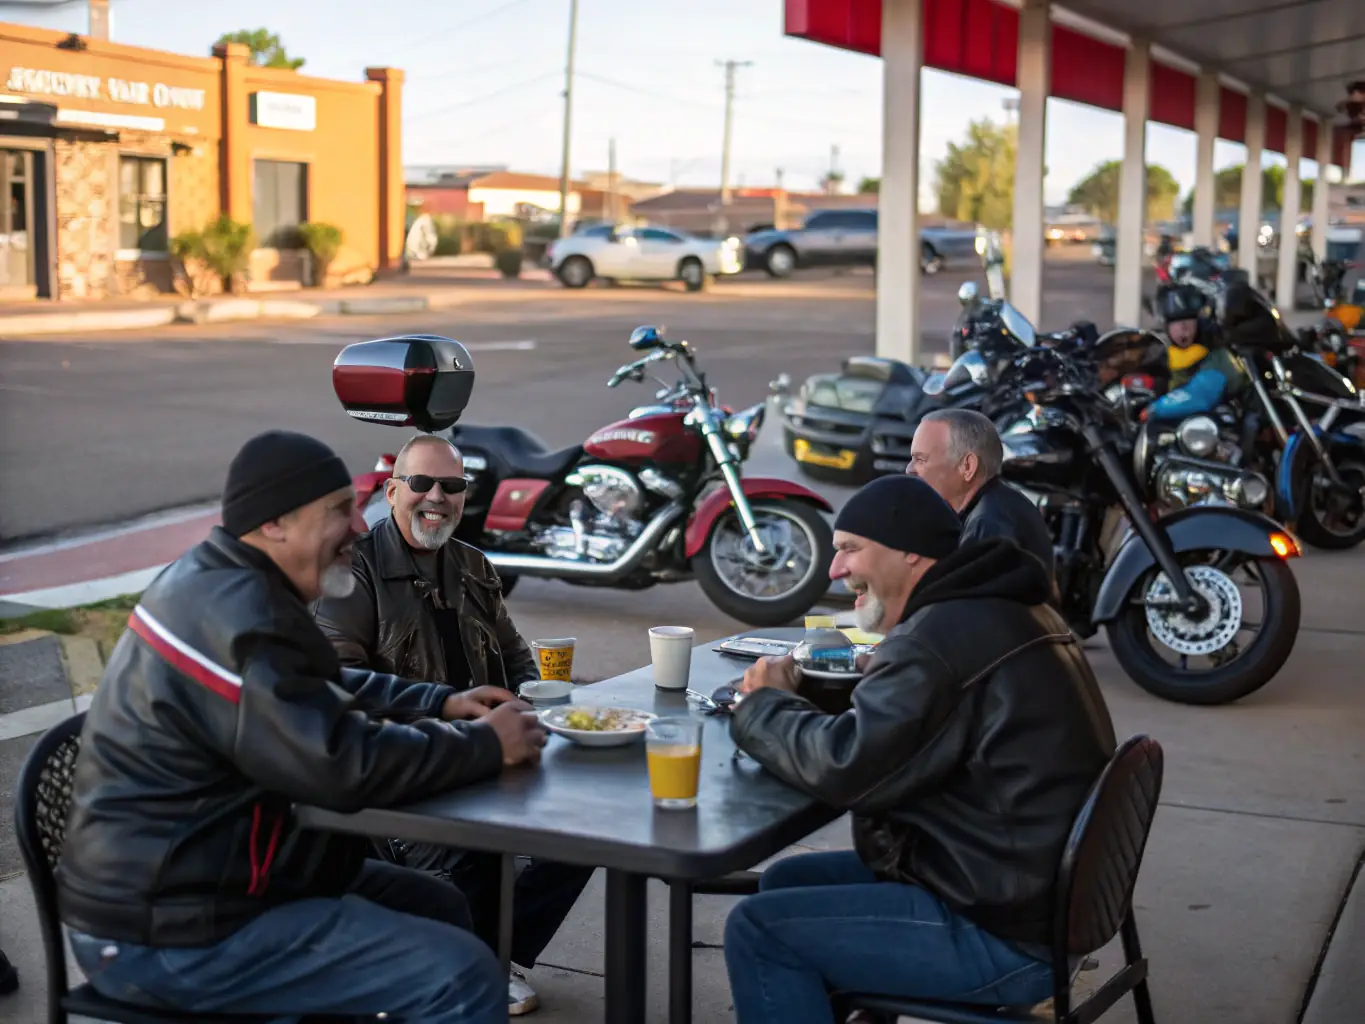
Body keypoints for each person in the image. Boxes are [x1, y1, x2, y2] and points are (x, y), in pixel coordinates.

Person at [56, 429, 548, 1023]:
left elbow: (324, 684)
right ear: (274, 525)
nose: (359, 527)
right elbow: (341, 763)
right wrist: (485, 744)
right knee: (463, 974)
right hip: (168, 928)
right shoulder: (240, 618)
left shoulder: (229, 581)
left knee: (435, 904)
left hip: (219, 880)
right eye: (339, 512)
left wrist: (441, 703)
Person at [723, 475, 1118, 1024]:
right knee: (785, 883)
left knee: (761, 931)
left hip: (1007, 932)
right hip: (1035, 893)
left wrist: (762, 707)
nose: (835, 570)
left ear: (910, 554)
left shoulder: (937, 640)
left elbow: (847, 769)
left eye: (849, 550)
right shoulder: (998, 607)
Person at [314, 432, 593, 1016]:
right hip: (414, 762)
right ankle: (474, 957)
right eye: (421, 483)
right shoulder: (354, 574)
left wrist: (546, 703)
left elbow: (517, 659)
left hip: (490, 751)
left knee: (593, 821)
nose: (436, 497)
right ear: (393, 491)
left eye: (452, 485)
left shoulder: (474, 565)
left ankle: (494, 950)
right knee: (467, 853)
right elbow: (342, 690)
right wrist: (447, 720)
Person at [906, 408, 1055, 582]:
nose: (909, 470)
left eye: (921, 460)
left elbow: (968, 603)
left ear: (967, 467)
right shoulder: (997, 506)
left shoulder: (989, 526)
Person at [1141, 281, 1249, 422]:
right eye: (1176, 322)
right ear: (1166, 326)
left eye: (1189, 320)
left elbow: (1200, 395)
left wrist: (1154, 408)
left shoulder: (1217, 355)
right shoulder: (1159, 354)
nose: (1183, 328)